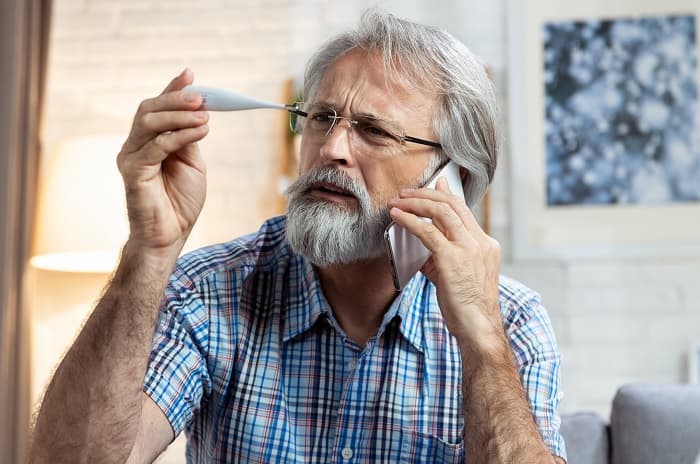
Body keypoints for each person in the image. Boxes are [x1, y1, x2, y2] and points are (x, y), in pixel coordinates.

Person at [30, 9, 567, 464]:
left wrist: (481, 340)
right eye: (321, 117)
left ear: (451, 179)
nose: (331, 148)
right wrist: (147, 252)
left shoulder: (511, 323)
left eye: (374, 131)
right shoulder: (208, 292)